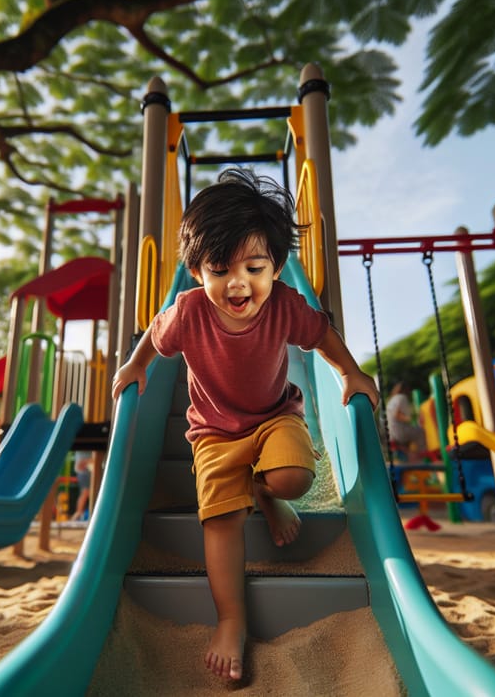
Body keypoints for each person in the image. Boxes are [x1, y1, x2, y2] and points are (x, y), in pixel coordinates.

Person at [112, 168, 379, 683]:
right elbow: (152, 335)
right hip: (212, 432)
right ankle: (231, 620)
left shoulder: (284, 306)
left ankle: (266, 489)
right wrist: (137, 365)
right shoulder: (187, 312)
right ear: (196, 272)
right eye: (219, 268)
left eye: (255, 267)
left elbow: (322, 334)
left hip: (276, 415)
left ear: (277, 267)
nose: (238, 283)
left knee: (295, 478)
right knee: (220, 521)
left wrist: (350, 372)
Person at [385, 381, 427, 456]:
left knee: (411, 435)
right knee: (420, 432)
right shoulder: (402, 397)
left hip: (391, 434)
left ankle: (411, 456)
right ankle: (423, 455)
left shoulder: (391, 399)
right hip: (399, 433)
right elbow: (397, 414)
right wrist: (412, 419)